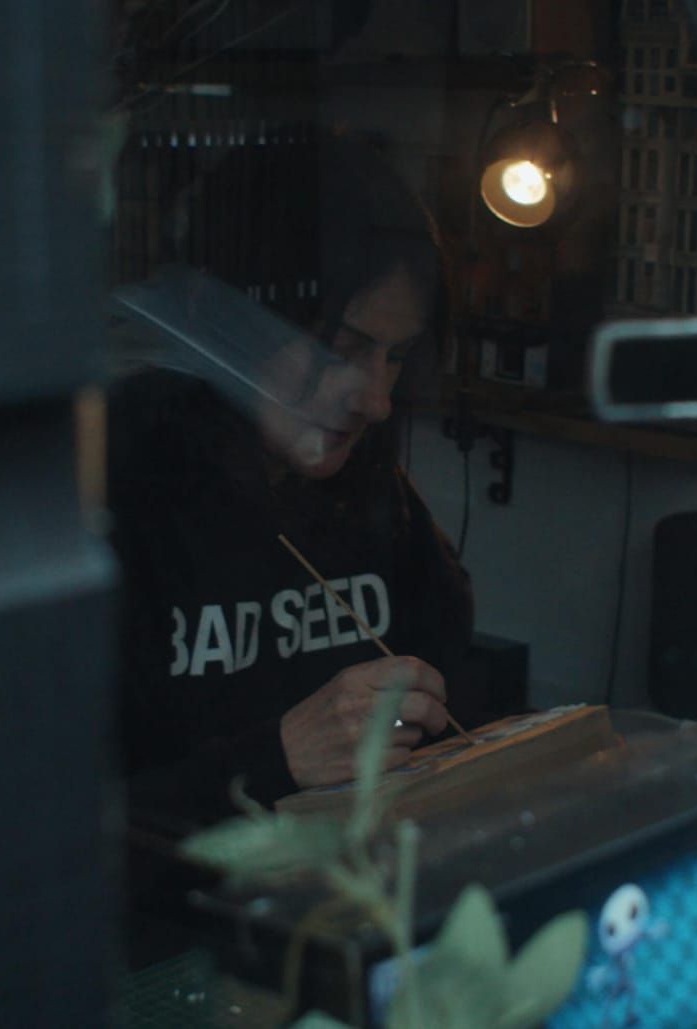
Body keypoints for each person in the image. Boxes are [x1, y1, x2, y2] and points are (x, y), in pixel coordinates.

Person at [107, 131, 487, 830]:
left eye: (395, 357)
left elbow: (451, 705)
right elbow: (56, 835)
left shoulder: (375, 499)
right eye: (338, 350)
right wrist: (276, 756)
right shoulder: (116, 496)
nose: (375, 400)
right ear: (224, 321)